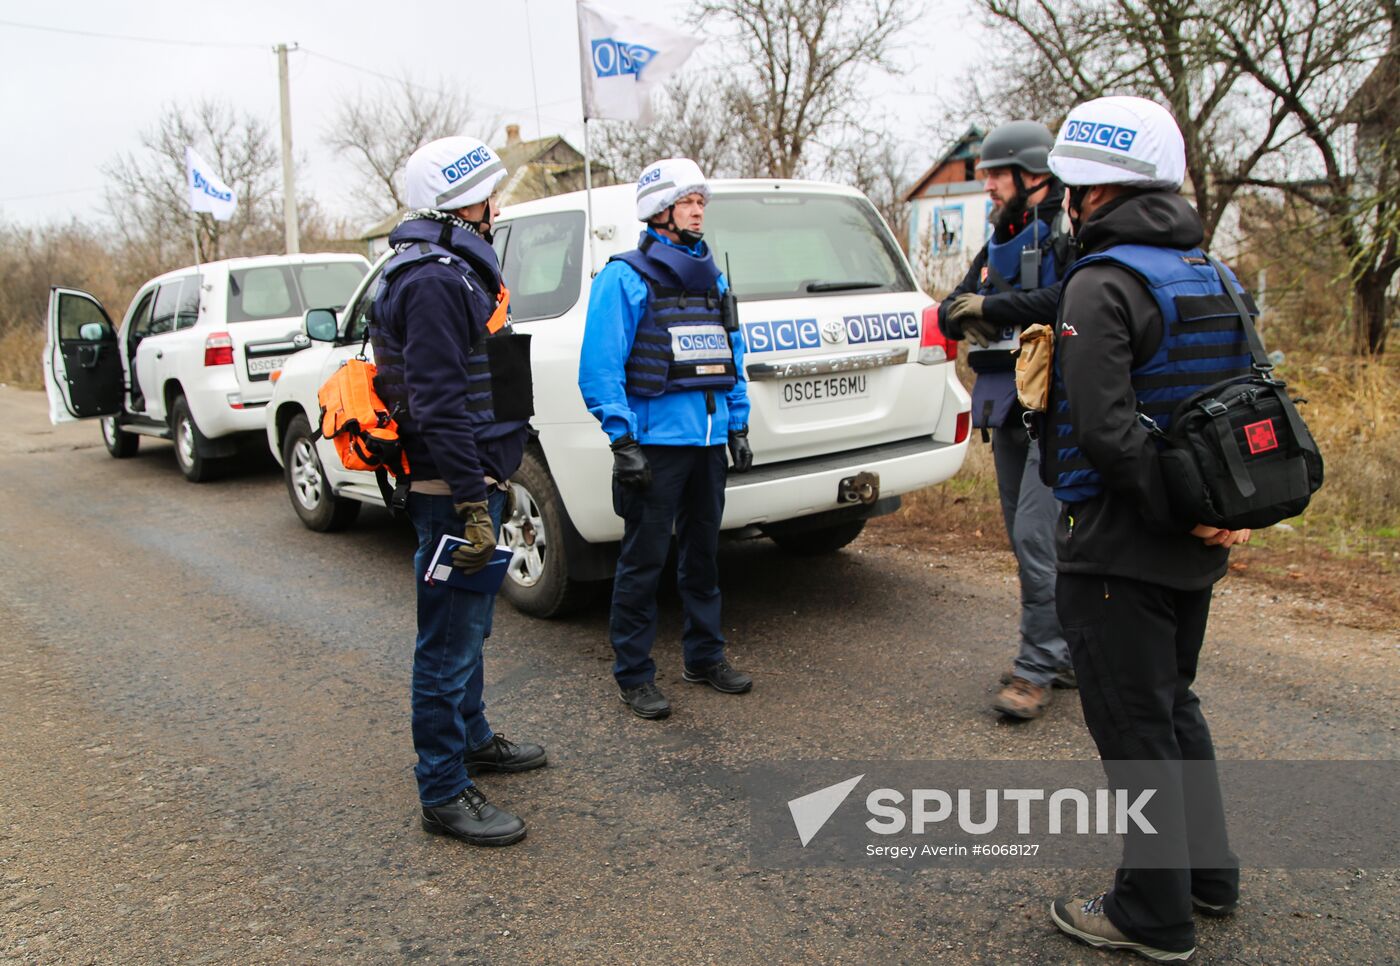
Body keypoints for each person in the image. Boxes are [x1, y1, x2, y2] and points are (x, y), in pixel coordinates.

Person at [1041, 95, 1250, 961]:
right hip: (1192, 547)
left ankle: (1151, 915)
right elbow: (1252, 410)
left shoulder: (1102, 283)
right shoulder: (1214, 273)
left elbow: (1103, 430)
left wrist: (1185, 510)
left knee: (1136, 732)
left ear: (1092, 191)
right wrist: (1224, 513)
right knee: (1172, 708)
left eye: (1068, 187)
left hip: (1119, 547)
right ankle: (1207, 876)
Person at [372, 135, 547, 846]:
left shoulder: (452, 270)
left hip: (472, 479)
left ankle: (472, 738)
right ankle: (443, 790)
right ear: (458, 205)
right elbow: (440, 403)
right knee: (446, 642)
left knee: (469, 628)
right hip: (453, 487)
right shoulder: (435, 281)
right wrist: (472, 502)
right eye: (486, 197)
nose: (495, 206)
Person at [578, 157, 754, 720]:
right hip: (654, 448)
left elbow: (732, 356)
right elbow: (599, 367)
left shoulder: (714, 279)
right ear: (659, 210)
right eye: (687, 202)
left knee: (703, 558)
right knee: (643, 563)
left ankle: (704, 656)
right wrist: (623, 440)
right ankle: (633, 675)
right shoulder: (623, 277)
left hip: (707, 445)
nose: (698, 211)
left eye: (702, 201)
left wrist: (737, 424)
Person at [937, 120, 1074, 720]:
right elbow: (953, 303)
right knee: (1026, 537)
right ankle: (1063, 653)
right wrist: (965, 313)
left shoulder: (1069, 230)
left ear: (1033, 173)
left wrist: (994, 306)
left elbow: (1068, 297)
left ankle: (1035, 669)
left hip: (1058, 408)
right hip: (1008, 406)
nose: (987, 185)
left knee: (1038, 537)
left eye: (995, 174)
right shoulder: (1001, 238)